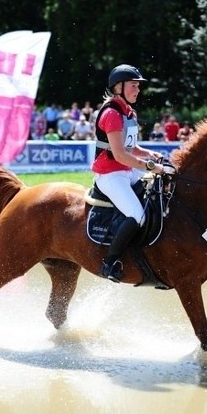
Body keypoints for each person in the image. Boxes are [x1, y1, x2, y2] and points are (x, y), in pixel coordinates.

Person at [91, 64, 164, 283]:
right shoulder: (112, 114)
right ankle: (110, 262)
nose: (137, 90)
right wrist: (149, 167)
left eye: (138, 87)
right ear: (118, 87)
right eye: (134, 86)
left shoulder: (129, 112)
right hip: (110, 175)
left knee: (158, 189)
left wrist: (150, 154)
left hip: (126, 171)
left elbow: (131, 148)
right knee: (137, 214)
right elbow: (121, 155)